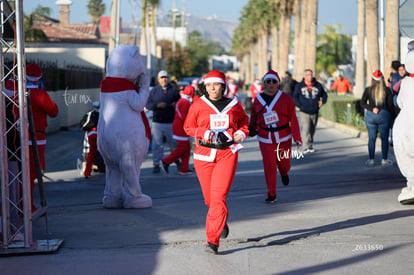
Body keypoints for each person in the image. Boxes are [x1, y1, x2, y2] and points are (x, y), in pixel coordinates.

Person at [184, 70, 249, 255]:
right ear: (205, 87)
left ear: (223, 86)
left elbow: (244, 122)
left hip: (227, 153)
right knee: (210, 200)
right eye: (209, 84)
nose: (212, 88)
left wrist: (242, 133)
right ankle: (221, 220)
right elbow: (187, 127)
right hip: (203, 155)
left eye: (216, 84)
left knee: (218, 197)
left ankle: (212, 241)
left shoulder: (234, 104)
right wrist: (203, 133)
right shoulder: (197, 105)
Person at [98, 45, 152, 209]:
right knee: (130, 167)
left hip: (106, 138)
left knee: (113, 169)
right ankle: (134, 196)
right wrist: (144, 87)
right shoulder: (126, 90)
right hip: (126, 139)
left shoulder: (105, 87)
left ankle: (112, 196)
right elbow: (139, 104)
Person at [249, 70, 302, 203]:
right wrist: (250, 129)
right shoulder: (258, 100)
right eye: (268, 81)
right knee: (269, 165)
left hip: (284, 137)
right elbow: (254, 117)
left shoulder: (286, 99)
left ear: (278, 83)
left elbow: (293, 119)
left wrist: (297, 137)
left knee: (284, 164)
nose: (271, 84)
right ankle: (271, 193)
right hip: (265, 137)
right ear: (264, 84)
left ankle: (284, 172)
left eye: (274, 81)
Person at [26, 63, 59, 211]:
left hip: (18, 136)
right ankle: (28, 205)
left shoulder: (16, 93)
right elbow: (53, 111)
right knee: (33, 172)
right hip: (37, 136)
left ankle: (21, 203)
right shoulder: (40, 94)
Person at [146, 70, 181, 173]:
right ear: (158, 79)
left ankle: (176, 160)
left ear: (168, 78)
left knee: (173, 144)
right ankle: (156, 164)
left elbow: (180, 103)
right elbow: (148, 105)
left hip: (170, 121)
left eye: (165, 77)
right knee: (157, 144)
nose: (164, 79)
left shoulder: (173, 90)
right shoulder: (154, 91)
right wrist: (157, 106)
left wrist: (176, 104)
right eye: (162, 77)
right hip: (157, 122)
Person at [360, 70, 396, 167]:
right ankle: (384, 159)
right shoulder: (387, 90)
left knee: (371, 138)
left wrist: (372, 108)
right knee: (384, 139)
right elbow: (391, 106)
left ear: (372, 79)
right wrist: (393, 117)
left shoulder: (368, 90)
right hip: (384, 116)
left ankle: (371, 159)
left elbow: (362, 103)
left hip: (371, 116)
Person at [394, 40, 414, 204]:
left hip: (407, 128)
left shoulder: (406, 83)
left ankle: (412, 186)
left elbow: (400, 102)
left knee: (408, 157)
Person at [161, 85, 195, 175]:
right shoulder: (185, 102)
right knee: (183, 147)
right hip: (181, 127)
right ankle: (166, 161)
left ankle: (184, 168)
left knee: (186, 148)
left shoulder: (182, 100)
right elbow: (184, 117)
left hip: (179, 126)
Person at [293, 69, 328, 154]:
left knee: (312, 129)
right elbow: (295, 96)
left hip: (315, 111)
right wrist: (298, 105)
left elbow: (324, 95)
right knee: (306, 128)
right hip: (304, 111)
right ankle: (305, 146)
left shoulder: (318, 85)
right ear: (305, 76)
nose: (310, 76)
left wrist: (322, 101)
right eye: (308, 75)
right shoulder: (299, 86)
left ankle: (310, 145)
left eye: (311, 75)